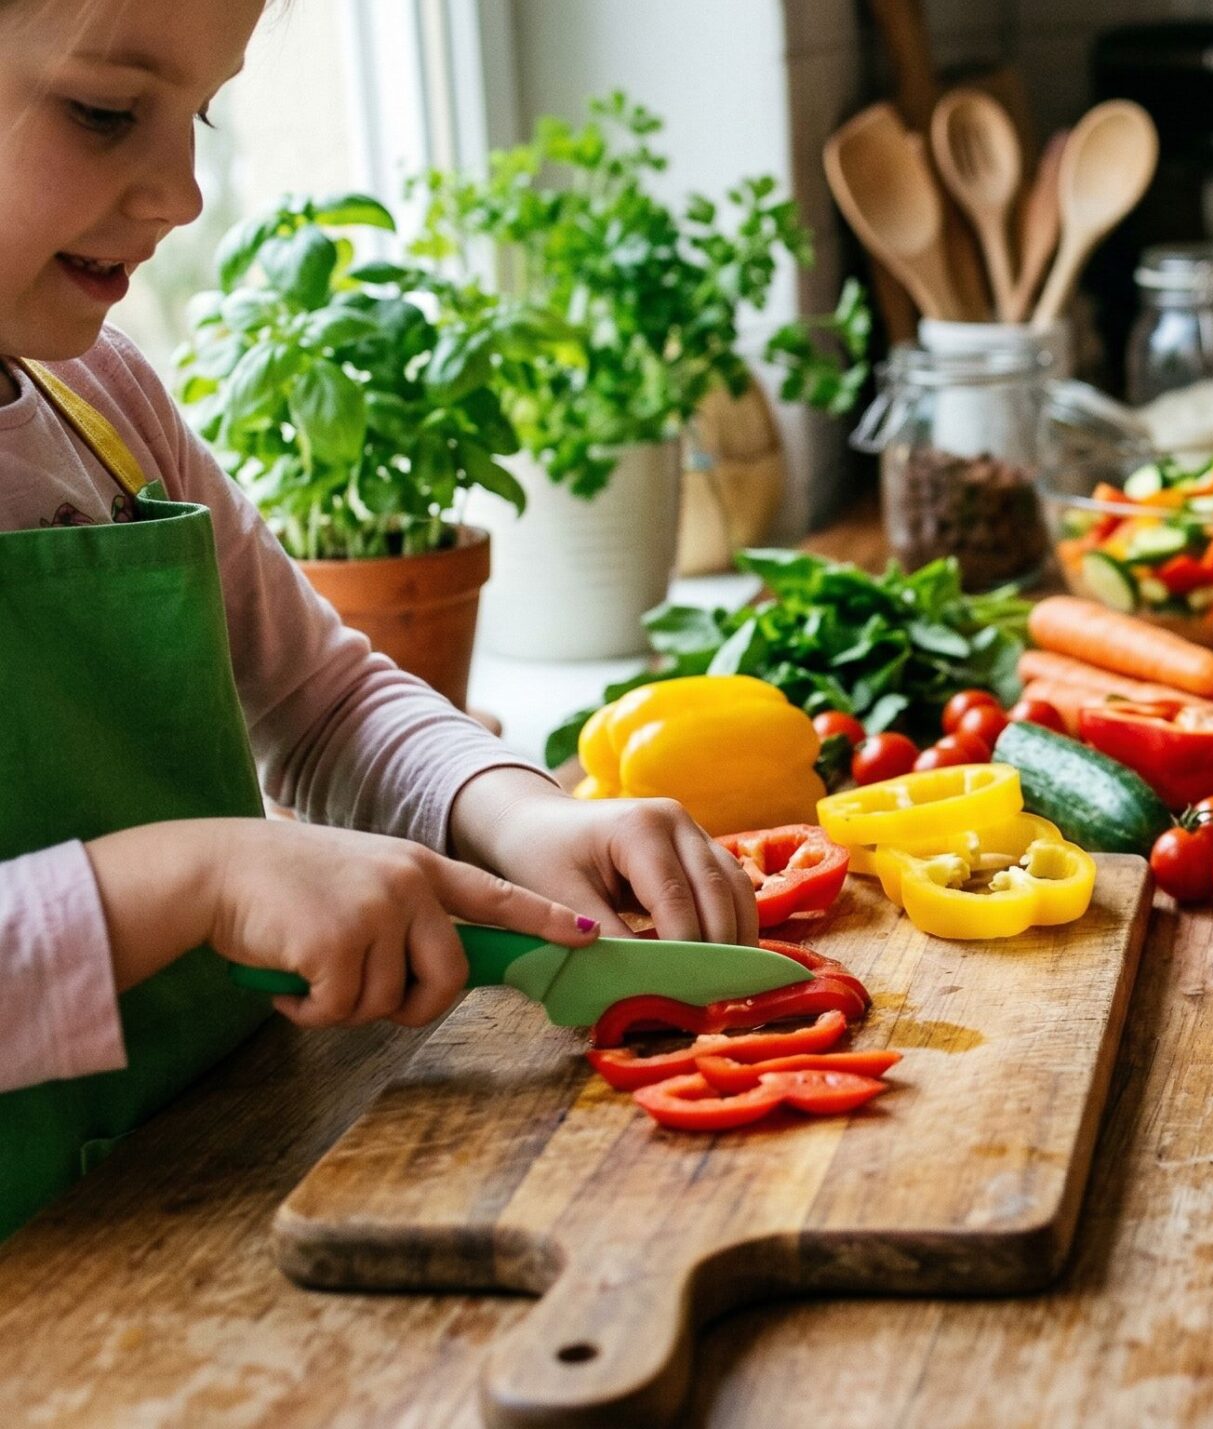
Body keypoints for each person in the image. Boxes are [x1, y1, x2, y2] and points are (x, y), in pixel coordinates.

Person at [0, 0, 761, 1237]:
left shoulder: (105, 399)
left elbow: (323, 699)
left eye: (200, 112)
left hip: (221, 1177)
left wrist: (514, 811)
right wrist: (195, 876)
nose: (185, 193)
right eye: (103, 112)